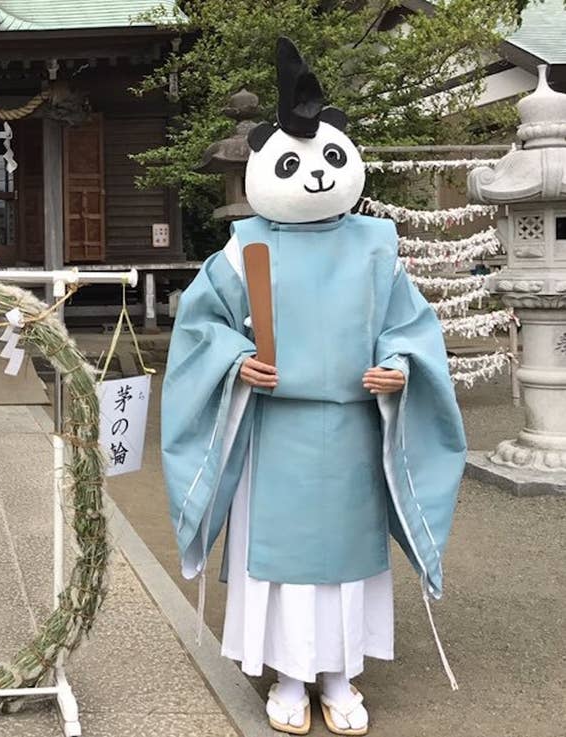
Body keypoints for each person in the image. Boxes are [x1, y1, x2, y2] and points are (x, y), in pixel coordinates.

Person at [161, 38, 466, 736]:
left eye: (331, 158)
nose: (319, 175)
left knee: (346, 566)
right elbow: (200, 331)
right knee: (287, 568)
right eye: (296, 163)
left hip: (357, 426)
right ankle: (291, 676)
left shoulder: (377, 245)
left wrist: (402, 365)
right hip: (277, 432)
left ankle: (340, 673)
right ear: (264, 167)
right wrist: (236, 359)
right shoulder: (243, 249)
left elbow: (408, 327)